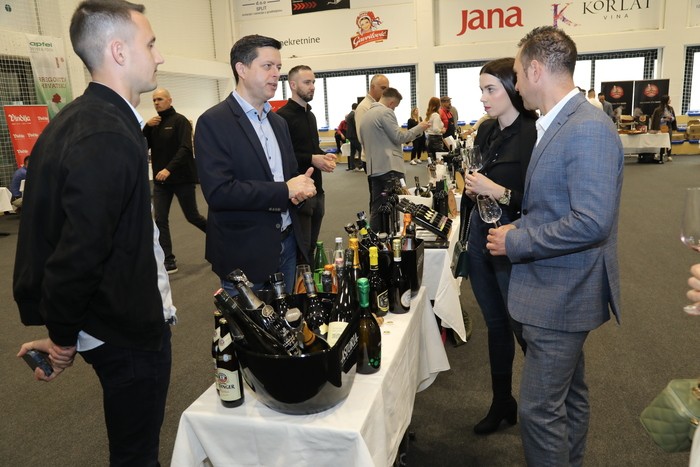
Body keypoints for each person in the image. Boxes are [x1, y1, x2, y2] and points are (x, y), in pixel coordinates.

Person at [13, 2, 175, 465]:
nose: (159, 56)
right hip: (126, 333)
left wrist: (64, 330)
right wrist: (63, 338)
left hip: (107, 320)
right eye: (150, 44)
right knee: (136, 455)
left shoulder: (78, 120)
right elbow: (78, 253)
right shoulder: (106, 133)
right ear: (119, 51)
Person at [486, 26, 623, 466]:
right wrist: (521, 226)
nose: (516, 84)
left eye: (517, 75)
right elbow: (554, 205)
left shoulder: (586, 128)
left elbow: (592, 221)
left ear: (535, 71)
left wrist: (517, 239)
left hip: (562, 293)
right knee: (570, 394)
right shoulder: (559, 123)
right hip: (555, 286)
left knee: (540, 411)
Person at [194, 35, 316, 295]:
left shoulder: (278, 123)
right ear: (242, 69)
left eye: (278, 67)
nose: (276, 74)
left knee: (286, 318)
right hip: (244, 253)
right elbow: (219, 192)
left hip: (287, 245)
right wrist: (286, 190)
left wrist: (299, 190)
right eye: (267, 66)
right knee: (250, 323)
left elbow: (288, 176)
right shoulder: (213, 122)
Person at [462, 57, 538, 435]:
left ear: (512, 88)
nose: (483, 98)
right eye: (481, 90)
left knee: (522, 328)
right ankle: (502, 402)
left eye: (490, 89)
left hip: (513, 242)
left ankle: (541, 408)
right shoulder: (487, 131)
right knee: (495, 324)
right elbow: (477, 180)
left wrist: (496, 190)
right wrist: (473, 188)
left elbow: (540, 202)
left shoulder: (533, 134)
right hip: (480, 236)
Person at [144, 88, 207, 274]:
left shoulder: (180, 121)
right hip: (161, 182)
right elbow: (141, 145)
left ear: (169, 100)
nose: (156, 103)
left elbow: (186, 149)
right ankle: (168, 259)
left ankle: (221, 236)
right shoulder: (154, 125)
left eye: (160, 99)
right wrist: (146, 128)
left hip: (182, 179)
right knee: (160, 219)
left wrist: (168, 169)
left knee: (192, 216)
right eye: (154, 100)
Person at [277, 65, 337, 261]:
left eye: (313, 82)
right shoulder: (282, 118)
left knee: (311, 247)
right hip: (298, 194)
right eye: (307, 82)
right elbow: (282, 156)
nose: (312, 87)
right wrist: (311, 158)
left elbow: (311, 148)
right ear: (293, 85)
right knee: (299, 251)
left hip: (317, 190)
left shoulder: (310, 115)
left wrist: (323, 156)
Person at [358, 87, 429, 230]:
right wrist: (420, 128)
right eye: (395, 106)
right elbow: (399, 137)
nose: (394, 109)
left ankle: (375, 237)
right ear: (391, 103)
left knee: (377, 207)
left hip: (373, 167)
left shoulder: (365, 115)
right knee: (397, 205)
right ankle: (393, 236)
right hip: (390, 167)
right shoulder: (386, 112)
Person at [355, 74, 389, 173]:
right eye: (383, 88)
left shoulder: (381, 105)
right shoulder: (363, 107)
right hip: (373, 159)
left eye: (387, 88)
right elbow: (362, 137)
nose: (386, 91)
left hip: (383, 157)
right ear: (372, 87)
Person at [650, 95, 677, 161]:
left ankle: (669, 155)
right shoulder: (657, 110)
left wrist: (671, 118)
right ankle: (661, 154)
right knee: (661, 141)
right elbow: (656, 120)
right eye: (669, 99)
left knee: (669, 141)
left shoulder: (671, 109)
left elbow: (673, 118)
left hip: (668, 127)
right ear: (666, 100)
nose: (670, 100)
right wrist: (663, 119)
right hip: (660, 128)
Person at [345, 103, 361, 171]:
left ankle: (352, 166)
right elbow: (356, 125)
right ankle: (360, 166)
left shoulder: (349, 115)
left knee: (352, 151)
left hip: (349, 135)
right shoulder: (354, 115)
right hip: (354, 135)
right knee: (361, 149)